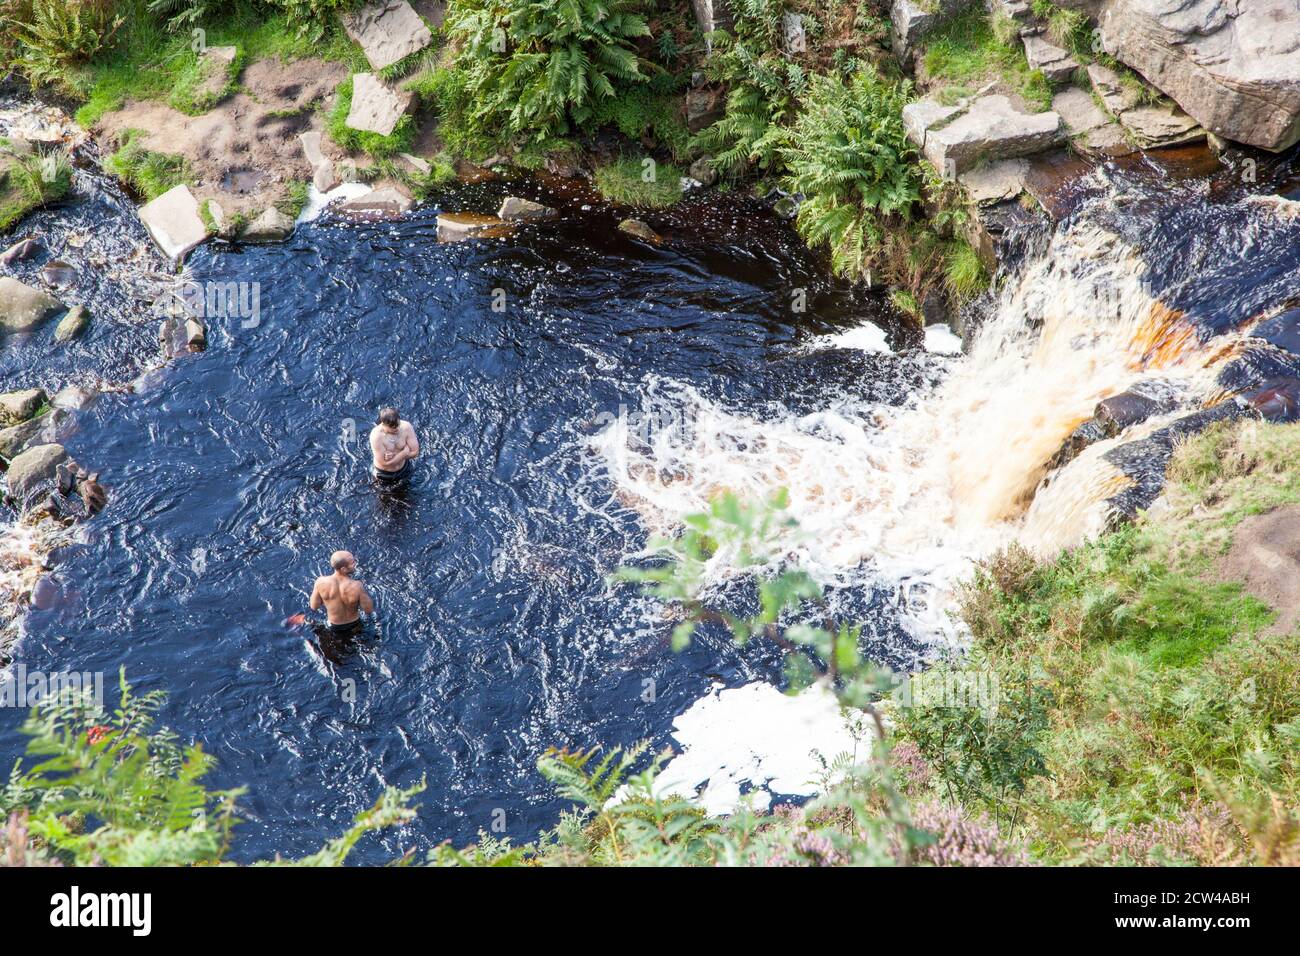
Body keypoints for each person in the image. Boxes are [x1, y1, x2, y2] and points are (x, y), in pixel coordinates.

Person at [308, 550, 374, 638]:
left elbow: (314, 606)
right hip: (355, 625)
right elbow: (368, 610)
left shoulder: (320, 582)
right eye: (352, 562)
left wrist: (328, 600)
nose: (355, 564)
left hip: (334, 627)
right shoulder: (357, 585)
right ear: (343, 569)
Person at [369, 406, 419, 483]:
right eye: (393, 427)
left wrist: (394, 456)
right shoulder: (376, 436)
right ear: (383, 424)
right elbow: (385, 464)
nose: (397, 429)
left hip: (404, 469)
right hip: (384, 475)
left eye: (398, 425)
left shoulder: (406, 427)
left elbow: (415, 452)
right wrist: (404, 453)